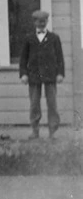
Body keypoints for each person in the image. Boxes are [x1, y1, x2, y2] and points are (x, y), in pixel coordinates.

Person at [19, 10, 65, 140]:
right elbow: (23, 58)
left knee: (52, 103)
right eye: (39, 21)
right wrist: (23, 74)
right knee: (34, 104)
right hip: (33, 75)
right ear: (34, 23)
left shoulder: (54, 38)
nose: (41, 23)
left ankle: (53, 132)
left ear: (47, 22)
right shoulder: (29, 39)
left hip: (50, 75)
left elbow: (60, 57)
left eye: (44, 21)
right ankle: (35, 131)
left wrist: (60, 73)